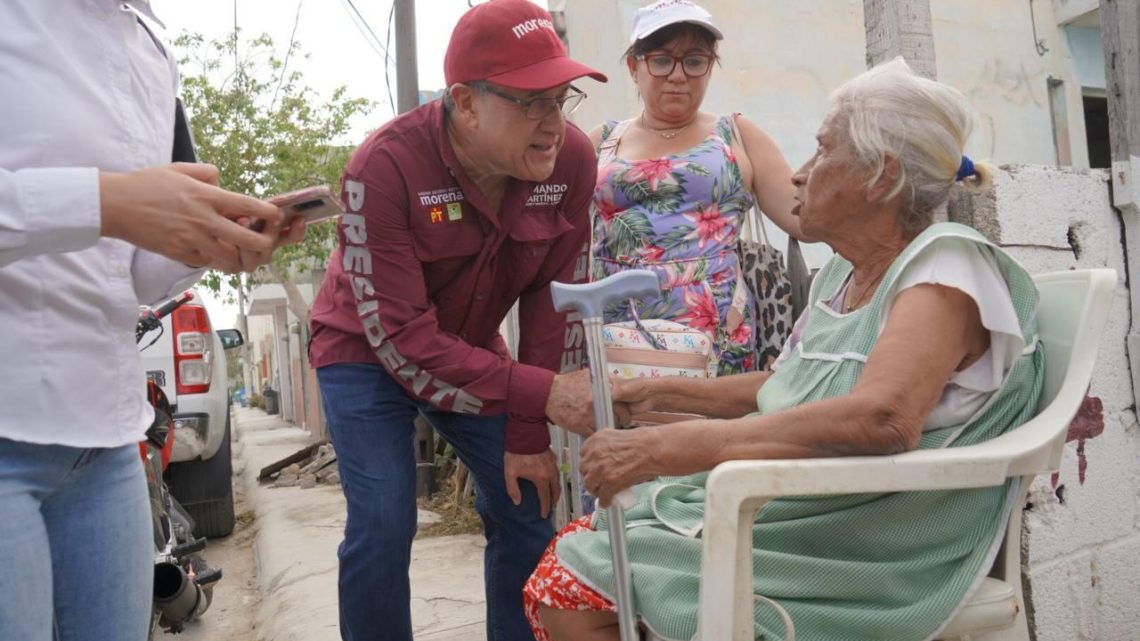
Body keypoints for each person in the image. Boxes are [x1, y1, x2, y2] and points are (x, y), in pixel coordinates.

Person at [525, 58, 1044, 641]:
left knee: (575, 583)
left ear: (881, 176)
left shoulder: (945, 265)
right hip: (806, 513)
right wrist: (645, 395)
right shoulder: (841, 277)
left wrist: (675, 446)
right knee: (586, 546)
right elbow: (787, 381)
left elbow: (883, 417)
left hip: (869, 544)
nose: (799, 175)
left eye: (823, 153)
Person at [305, 1, 608, 639]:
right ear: (466, 103)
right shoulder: (383, 167)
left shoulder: (572, 162)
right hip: (365, 351)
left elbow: (552, 300)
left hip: (467, 347)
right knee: (385, 520)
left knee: (526, 500)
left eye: (561, 99)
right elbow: (405, 339)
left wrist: (529, 430)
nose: (553, 123)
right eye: (532, 103)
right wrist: (546, 393)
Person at [0, 3, 303, 640]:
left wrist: (210, 242)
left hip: (103, 446)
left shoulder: (148, 48)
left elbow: (130, 271)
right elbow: (107, 213)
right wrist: (104, 201)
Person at [589, 0, 809, 376]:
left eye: (694, 61)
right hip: (616, 339)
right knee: (625, 433)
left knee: (717, 435)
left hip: (718, 340)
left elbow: (802, 217)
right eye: (661, 60)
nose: (678, 75)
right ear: (634, 66)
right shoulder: (601, 141)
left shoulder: (737, 133)